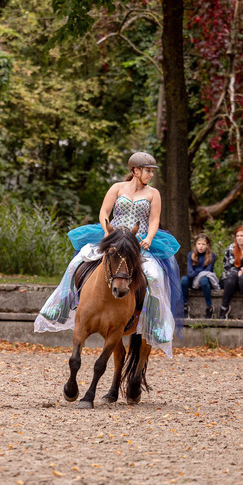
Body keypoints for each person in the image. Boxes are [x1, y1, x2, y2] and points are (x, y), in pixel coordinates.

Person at [34, 152, 184, 357]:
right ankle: (62, 306)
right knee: (77, 262)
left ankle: (155, 325)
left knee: (155, 276)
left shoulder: (153, 193)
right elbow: (104, 212)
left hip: (138, 241)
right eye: (147, 171)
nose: (150, 174)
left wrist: (149, 238)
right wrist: (107, 231)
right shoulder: (117, 188)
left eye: (151, 171)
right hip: (113, 237)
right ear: (135, 170)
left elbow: (154, 220)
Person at [180, 233, 219, 319]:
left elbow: (208, 271)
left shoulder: (211, 255)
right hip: (193, 280)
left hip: (204, 280)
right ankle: (184, 306)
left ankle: (209, 307)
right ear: (195, 244)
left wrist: (196, 272)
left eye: (203, 244)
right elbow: (189, 274)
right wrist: (201, 271)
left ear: (207, 245)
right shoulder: (191, 254)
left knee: (203, 280)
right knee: (184, 280)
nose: (201, 246)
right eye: (199, 244)